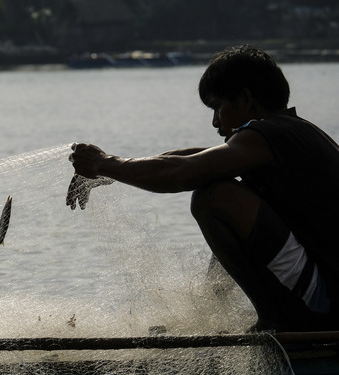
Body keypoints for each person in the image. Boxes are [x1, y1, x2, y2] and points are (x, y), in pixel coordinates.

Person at [67, 45, 339, 332]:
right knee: (219, 187)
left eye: (218, 107)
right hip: (327, 294)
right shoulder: (284, 133)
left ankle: (278, 321)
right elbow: (189, 158)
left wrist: (106, 163)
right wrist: (112, 172)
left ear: (246, 99)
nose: (215, 122)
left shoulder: (270, 134)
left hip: (329, 302)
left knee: (214, 197)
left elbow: (181, 173)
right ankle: (217, 312)